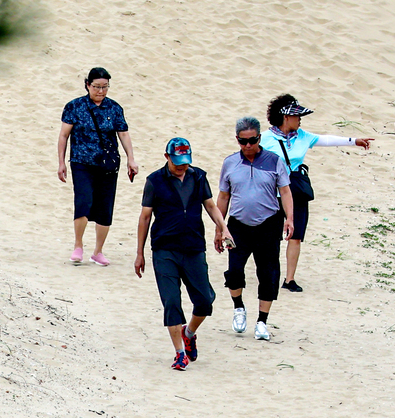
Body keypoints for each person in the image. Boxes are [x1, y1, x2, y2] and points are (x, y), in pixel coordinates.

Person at [134, 137, 232, 371]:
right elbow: (145, 217)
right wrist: (139, 253)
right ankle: (179, 353)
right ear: (167, 157)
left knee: (205, 300)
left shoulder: (198, 177)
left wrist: (223, 228)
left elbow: (210, 205)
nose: (182, 167)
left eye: (185, 162)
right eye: (177, 162)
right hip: (164, 248)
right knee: (171, 301)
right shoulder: (155, 181)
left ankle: (189, 333)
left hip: (193, 246)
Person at [260, 94, 374, 292]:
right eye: (297, 116)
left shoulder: (303, 136)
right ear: (286, 117)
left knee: (296, 235)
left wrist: (354, 141)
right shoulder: (265, 138)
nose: (300, 119)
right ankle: (269, 275)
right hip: (271, 193)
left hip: (296, 190)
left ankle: (289, 279)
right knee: (271, 237)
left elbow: (326, 140)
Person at [216, 116, 294, 344]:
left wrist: (289, 218)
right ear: (237, 140)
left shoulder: (274, 161)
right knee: (234, 270)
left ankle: (262, 321)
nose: (248, 145)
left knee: (268, 273)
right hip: (238, 225)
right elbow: (223, 196)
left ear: (259, 138)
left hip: (269, 223)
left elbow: (285, 191)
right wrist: (220, 228)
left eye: (252, 140)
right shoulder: (230, 163)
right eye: (243, 141)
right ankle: (238, 307)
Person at [58, 67, 138, 267]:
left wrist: (131, 159)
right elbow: (64, 135)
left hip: (107, 163)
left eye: (105, 87)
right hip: (81, 162)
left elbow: (123, 134)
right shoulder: (75, 106)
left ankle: (98, 251)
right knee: (83, 201)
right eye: (96, 87)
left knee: (105, 206)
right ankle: (78, 246)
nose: (101, 91)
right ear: (87, 85)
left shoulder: (114, 108)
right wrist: (61, 162)